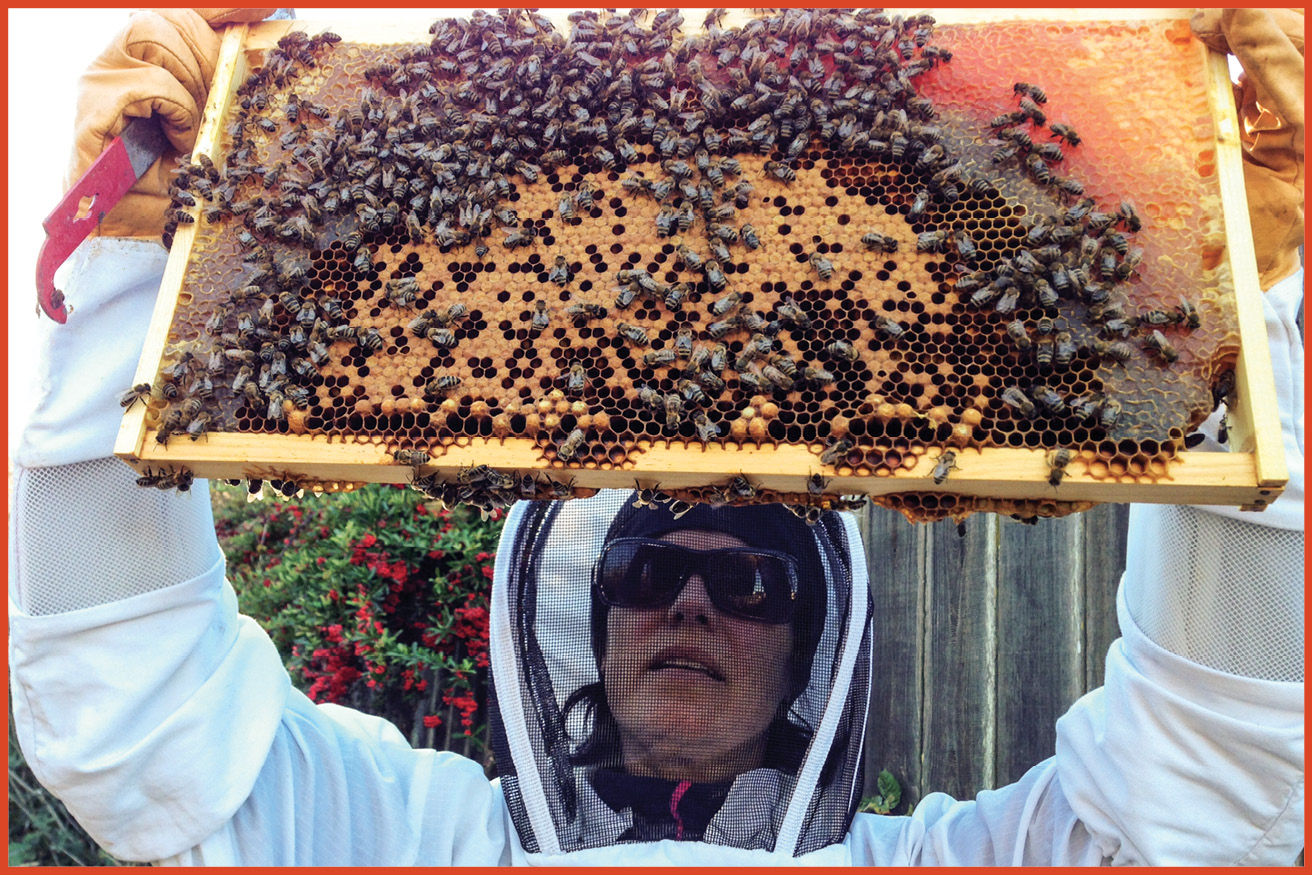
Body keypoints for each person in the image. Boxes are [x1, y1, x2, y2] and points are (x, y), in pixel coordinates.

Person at [8, 7, 1304, 866]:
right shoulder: (404, 837)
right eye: (645, 571)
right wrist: (127, 274)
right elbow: (134, 725)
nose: (687, 604)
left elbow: (1208, 792)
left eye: (745, 578)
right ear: (588, 612)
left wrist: (1240, 305)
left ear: (810, 640)